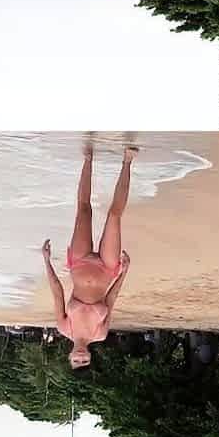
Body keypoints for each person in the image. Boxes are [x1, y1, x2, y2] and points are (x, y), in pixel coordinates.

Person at [41, 143, 136, 369]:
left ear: (69, 356)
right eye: (85, 360)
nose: (81, 356)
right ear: (90, 357)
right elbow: (111, 299)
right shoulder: (100, 333)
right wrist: (124, 272)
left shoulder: (64, 327)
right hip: (107, 268)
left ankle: (88, 159)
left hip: (79, 263)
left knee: (84, 209)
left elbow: (57, 291)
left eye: (76, 360)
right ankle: (127, 161)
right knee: (114, 216)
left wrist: (47, 261)